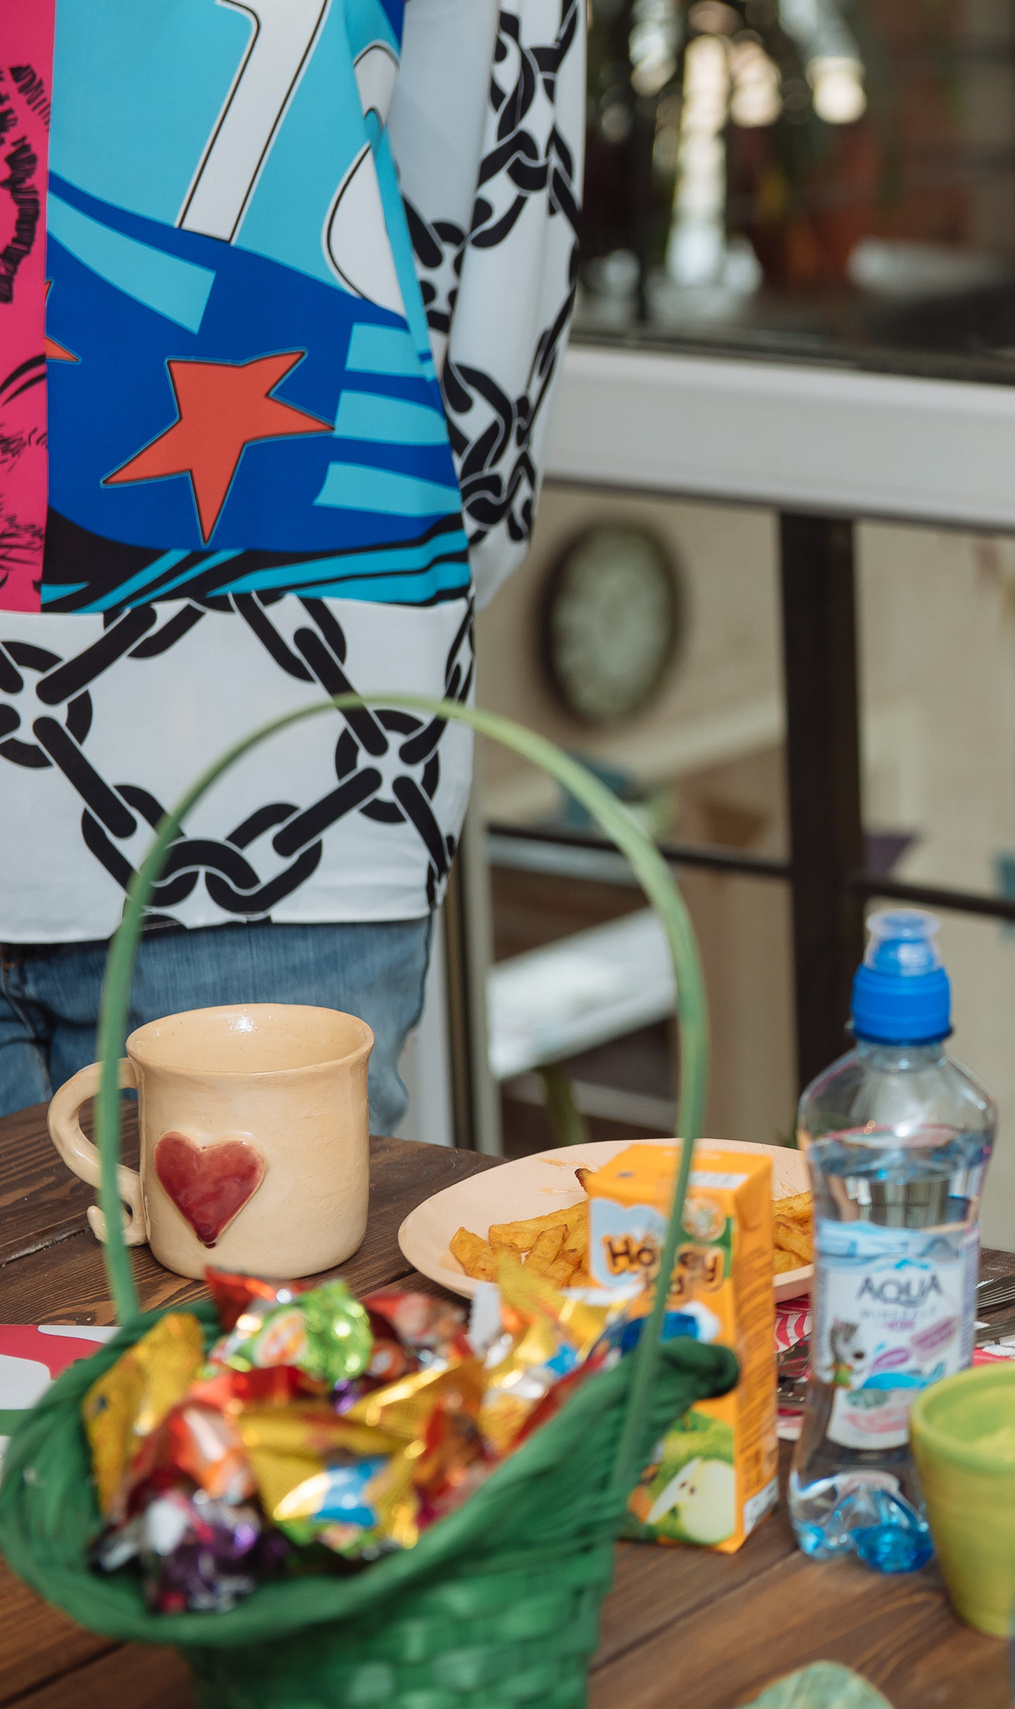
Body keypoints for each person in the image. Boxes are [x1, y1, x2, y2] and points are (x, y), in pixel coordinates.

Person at [0, 3, 583, 1133]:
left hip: (261, 731)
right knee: (244, 1301)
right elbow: (497, 169)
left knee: (254, 1303)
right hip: (273, 684)